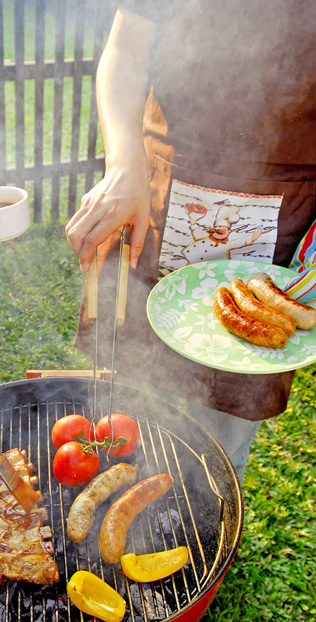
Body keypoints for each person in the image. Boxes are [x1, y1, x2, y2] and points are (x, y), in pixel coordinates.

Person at [66, 1, 316, 482]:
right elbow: (124, 48)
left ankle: (204, 519)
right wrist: (123, 165)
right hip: (158, 193)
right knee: (127, 400)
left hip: (282, 213)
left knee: (222, 432)